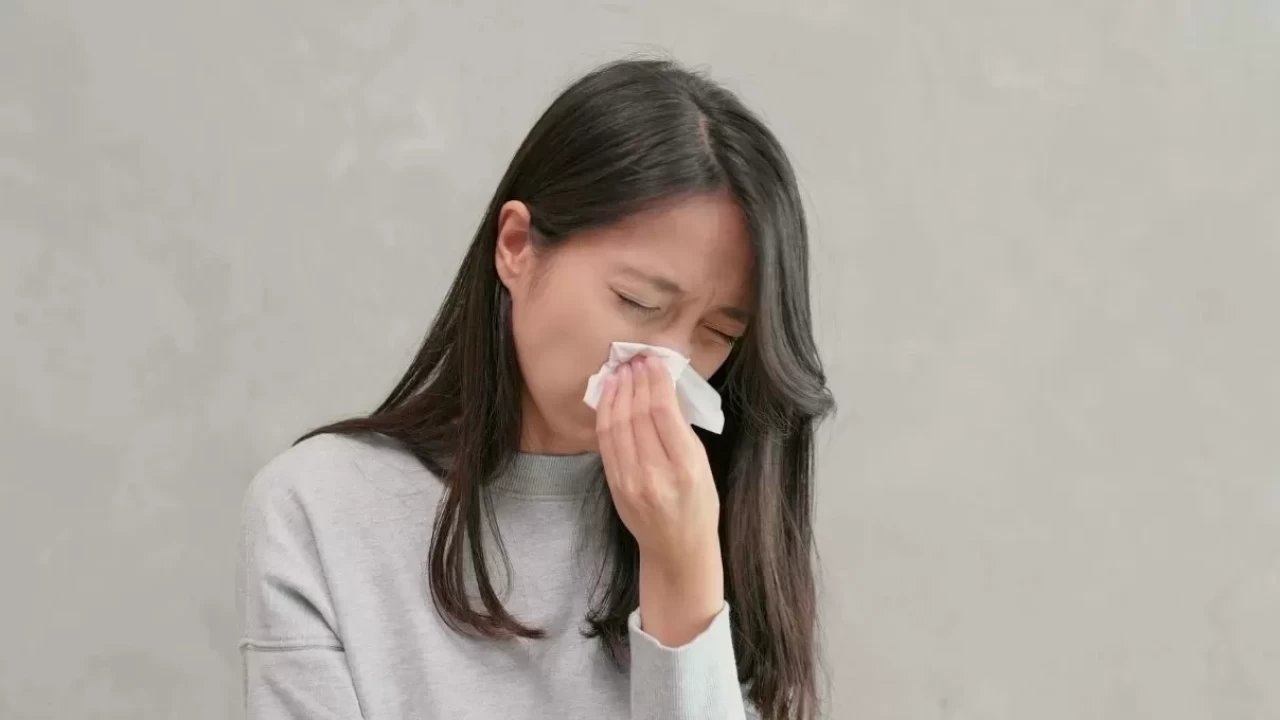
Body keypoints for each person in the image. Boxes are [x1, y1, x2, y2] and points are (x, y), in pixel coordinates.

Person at [238, 57, 834, 720]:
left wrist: (683, 566)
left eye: (718, 333)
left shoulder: (726, 512)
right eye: (638, 302)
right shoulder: (320, 508)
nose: (668, 363)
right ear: (517, 246)